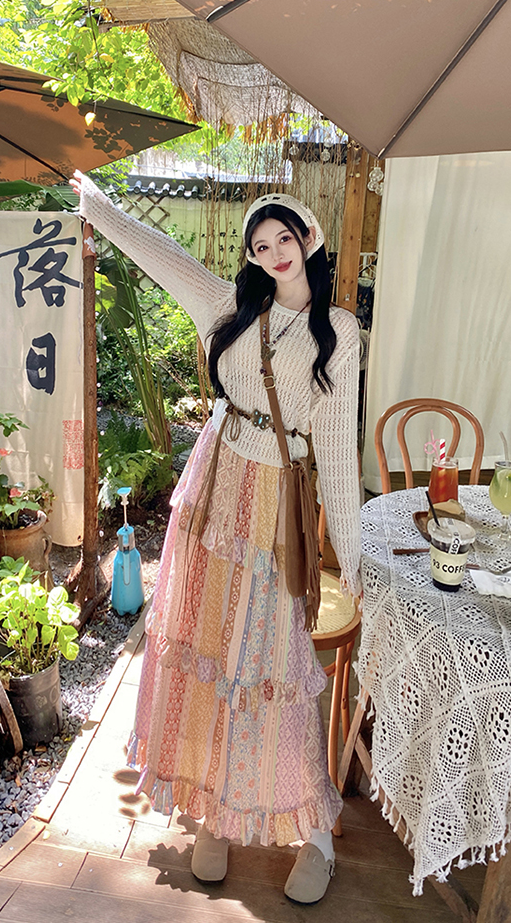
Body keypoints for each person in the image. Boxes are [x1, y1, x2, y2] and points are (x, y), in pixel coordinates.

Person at [71, 171, 362, 903]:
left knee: (271, 658)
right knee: (206, 645)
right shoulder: (235, 306)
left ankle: (316, 832)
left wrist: (353, 556)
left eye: (284, 238)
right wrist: (101, 210)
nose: (274, 253)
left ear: (308, 239)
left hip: (273, 504)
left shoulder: (340, 332)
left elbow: (337, 452)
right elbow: (164, 256)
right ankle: (216, 811)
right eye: (260, 246)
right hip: (215, 484)